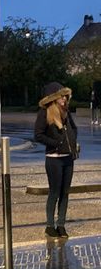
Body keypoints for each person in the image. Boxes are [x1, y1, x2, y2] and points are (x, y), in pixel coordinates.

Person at [34, 82, 78, 239]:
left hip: (68, 158)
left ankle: (61, 225)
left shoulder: (66, 112)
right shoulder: (44, 112)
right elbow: (38, 135)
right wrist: (57, 144)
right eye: (62, 96)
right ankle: (49, 226)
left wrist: (72, 143)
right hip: (54, 159)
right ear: (54, 97)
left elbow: (74, 128)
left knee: (65, 193)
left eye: (66, 96)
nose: (65, 99)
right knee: (54, 192)